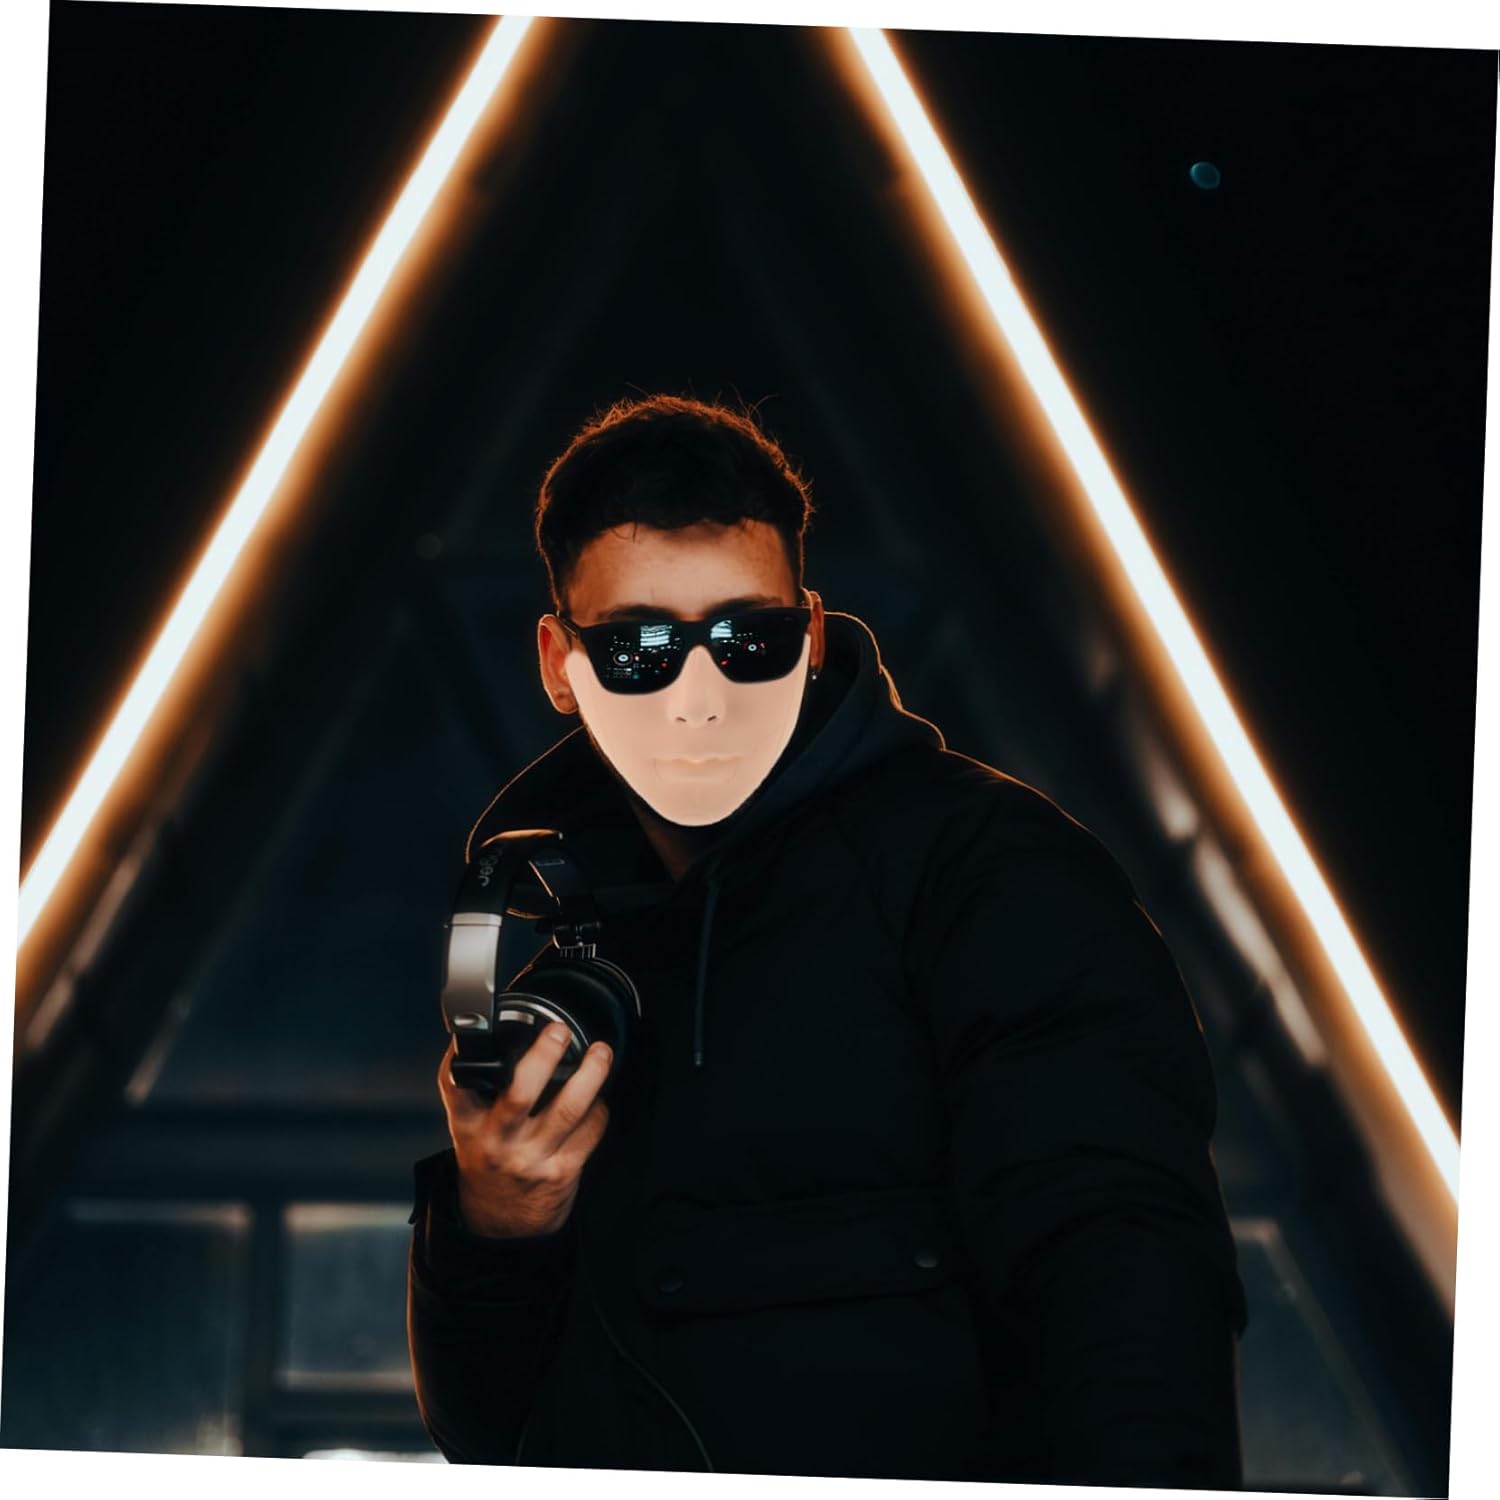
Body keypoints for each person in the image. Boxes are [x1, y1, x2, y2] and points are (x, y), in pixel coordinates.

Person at [405, 392, 1249, 1487]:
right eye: (640, 647)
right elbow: (490, 1436)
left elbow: (1127, 1288)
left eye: (746, 640)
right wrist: (498, 1220)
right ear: (559, 663)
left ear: (808, 639)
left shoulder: (988, 872)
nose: (698, 699)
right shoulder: (572, 970)